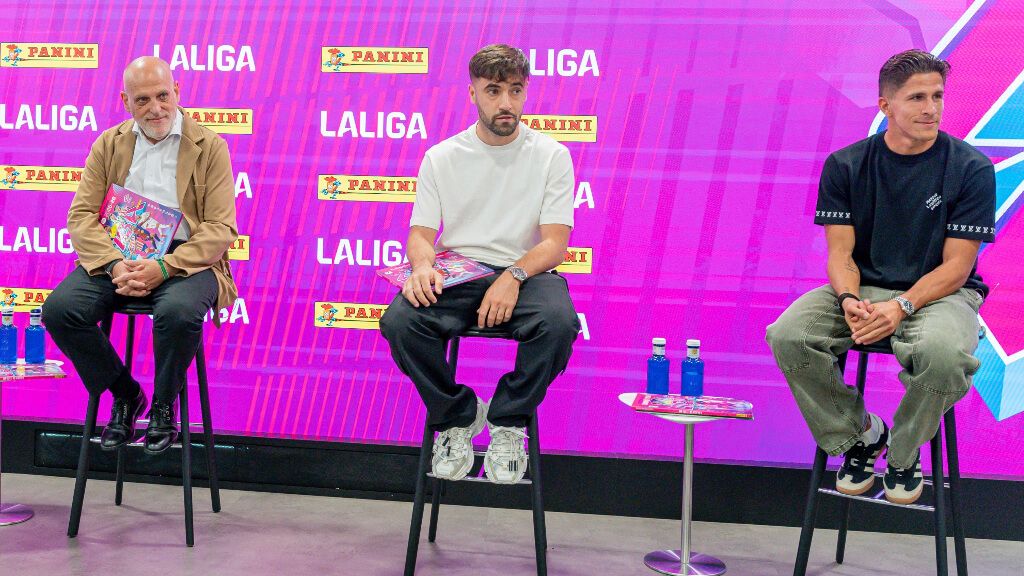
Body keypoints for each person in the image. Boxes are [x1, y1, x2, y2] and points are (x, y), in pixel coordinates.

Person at [766, 49, 995, 505]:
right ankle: (862, 435)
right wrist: (849, 297)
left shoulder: (971, 168)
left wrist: (901, 306)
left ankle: (904, 452)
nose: (931, 108)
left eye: (937, 96)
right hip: (863, 286)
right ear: (885, 106)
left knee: (945, 355)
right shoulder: (846, 165)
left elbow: (957, 268)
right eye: (916, 98)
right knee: (789, 335)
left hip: (941, 294)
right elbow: (841, 253)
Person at [379, 44, 580, 484]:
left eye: (515, 90)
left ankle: (509, 421)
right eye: (493, 91)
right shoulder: (442, 156)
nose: (506, 102)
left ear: (526, 92)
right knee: (399, 322)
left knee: (561, 323)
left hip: (527, 273)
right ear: (472, 94)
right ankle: (457, 417)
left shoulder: (551, 155)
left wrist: (513, 275)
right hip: (460, 272)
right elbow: (420, 235)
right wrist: (422, 267)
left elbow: (555, 244)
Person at [43, 56, 238, 455]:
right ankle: (126, 395)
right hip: (118, 254)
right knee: (60, 311)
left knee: (179, 314)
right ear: (125, 101)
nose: (156, 108)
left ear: (177, 92)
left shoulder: (210, 146)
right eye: (143, 99)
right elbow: (81, 215)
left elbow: (220, 229)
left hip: (185, 259)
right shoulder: (109, 143)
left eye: (163, 96)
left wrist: (163, 267)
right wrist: (115, 264)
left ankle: (165, 406)